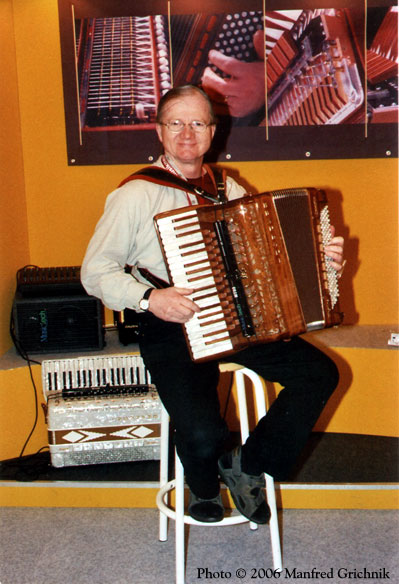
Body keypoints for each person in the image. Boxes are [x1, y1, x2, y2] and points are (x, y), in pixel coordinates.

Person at [81, 84, 345, 524]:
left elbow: (265, 253)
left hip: (234, 314)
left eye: (197, 123)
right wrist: (151, 298)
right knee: (203, 431)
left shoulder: (227, 187)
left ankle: (246, 462)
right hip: (168, 319)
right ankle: (201, 482)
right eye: (176, 123)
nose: (187, 133)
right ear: (160, 131)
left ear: (212, 131)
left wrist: (320, 257)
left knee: (320, 373)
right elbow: (95, 271)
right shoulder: (137, 194)